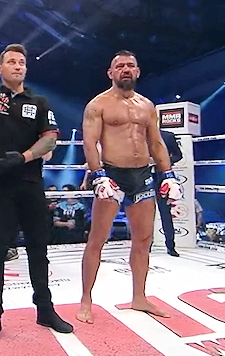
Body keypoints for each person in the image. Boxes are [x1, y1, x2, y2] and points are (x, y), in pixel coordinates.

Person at [0, 35, 73, 341]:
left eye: (22, 62)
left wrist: (22, 157)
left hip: (31, 183)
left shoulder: (39, 102)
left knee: (38, 249)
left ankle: (45, 309)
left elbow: (51, 139)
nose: (18, 66)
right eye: (11, 61)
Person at [77, 50, 182, 324]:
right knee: (97, 239)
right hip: (112, 174)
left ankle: (139, 297)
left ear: (137, 71)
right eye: (120, 66)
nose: (125, 69)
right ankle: (86, 299)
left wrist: (168, 174)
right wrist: (98, 175)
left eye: (130, 65)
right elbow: (89, 142)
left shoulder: (147, 106)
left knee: (144, 239)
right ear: (110, 73)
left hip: (143, 175)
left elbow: (156, 142)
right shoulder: (98, 104)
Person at [153, 129, 183, 257]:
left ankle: (170, 246)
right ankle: (145, 244)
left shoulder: (167, 136)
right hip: (143, 177)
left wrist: (163, 162)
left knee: (165, 212)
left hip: (163, 177)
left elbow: (178, 155)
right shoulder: (139, 134)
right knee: (144, 213)